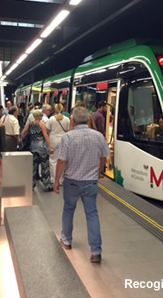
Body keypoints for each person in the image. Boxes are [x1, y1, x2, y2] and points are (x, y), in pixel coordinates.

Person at [54, 107, 110, 264]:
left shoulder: (68, 137)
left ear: (72, 120)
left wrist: (56, 180)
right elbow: (104, 157)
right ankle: (96, 250)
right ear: (88, 119)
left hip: (72, 181)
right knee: (92, 214)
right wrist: (98, 172)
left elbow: (62, 160)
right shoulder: (98, 136)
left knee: (69, 209)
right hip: (91, 182)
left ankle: (66, 240)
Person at [21, 110, 54, 191]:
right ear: (39, 116)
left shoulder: (30, 124)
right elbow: (45, 136)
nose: (42, 117)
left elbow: (23, 133)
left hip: (32, 146)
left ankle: (31, 185)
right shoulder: (42, 125)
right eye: (41, 116)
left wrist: (23, 140)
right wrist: (50, 147)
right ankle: (47, 185)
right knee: (45, 166)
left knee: (33, 167)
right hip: (41, 147)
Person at [46, 103, 70, 185]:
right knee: (62, 160)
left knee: (53, 160)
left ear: (55, 110)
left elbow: (47, 130)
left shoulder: (51, 119)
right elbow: (68, 130)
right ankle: (61, 179)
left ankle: (53, 179)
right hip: (63, 140)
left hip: (53, 140)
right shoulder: (67, 119)